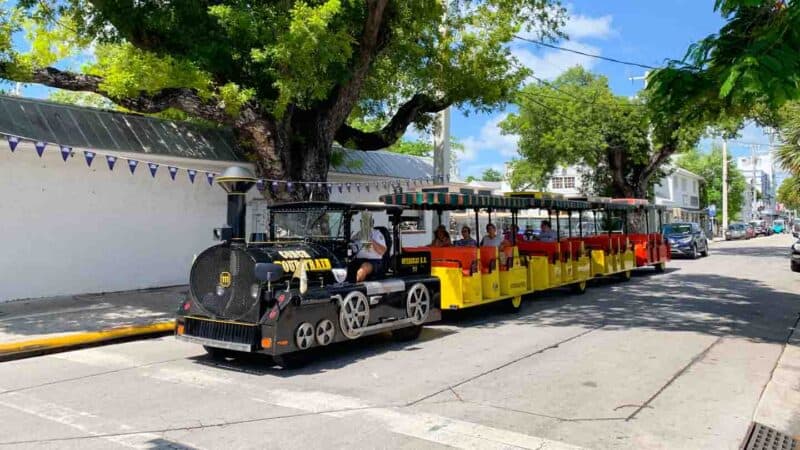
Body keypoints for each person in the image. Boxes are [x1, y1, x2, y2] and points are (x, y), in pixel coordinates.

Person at [351, 215, 387, 282]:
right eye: (362, 222)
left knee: (364, 267)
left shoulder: (377, 234)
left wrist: (371, 240)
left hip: (373, 261)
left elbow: (382, 251)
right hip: (357, 259)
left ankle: (354, 288)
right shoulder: (358, 234)